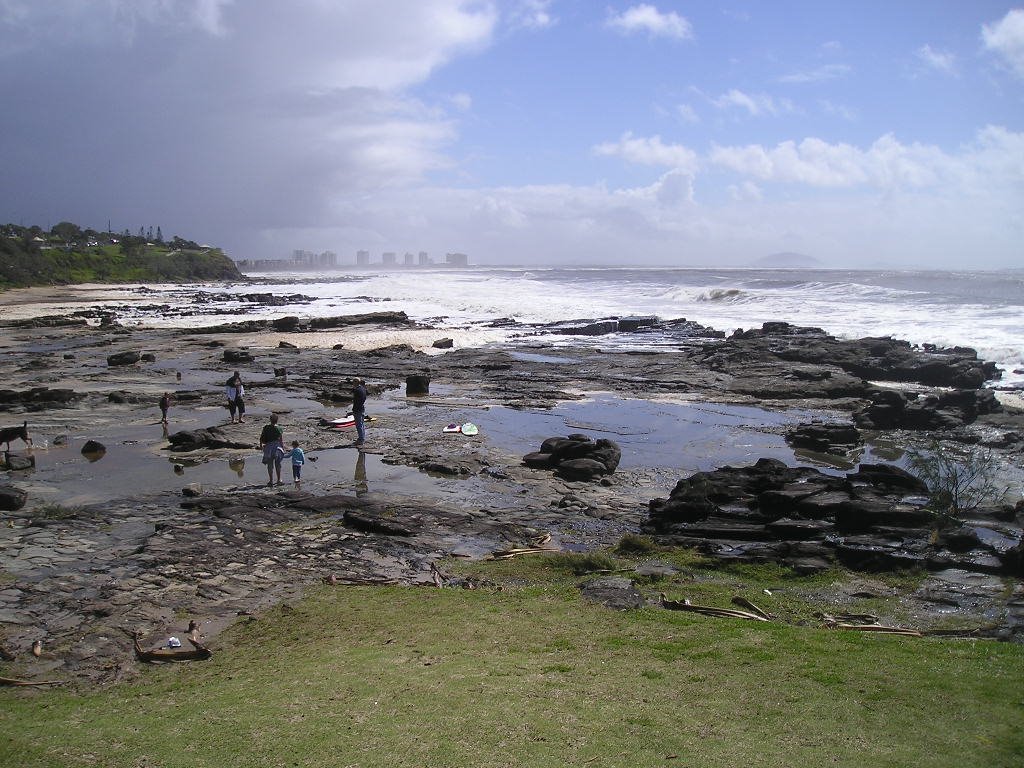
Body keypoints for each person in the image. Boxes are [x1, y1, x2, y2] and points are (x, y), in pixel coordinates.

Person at [259, 413, 284, 486]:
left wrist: (261, 445)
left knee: (270, 465)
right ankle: (279, 479)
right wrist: (282, 447)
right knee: (278, 464)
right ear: (277, 420)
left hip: (268, 447)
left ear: (270, 420)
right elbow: (281, 440)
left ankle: (271, 481)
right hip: (277, 447)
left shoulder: (266, 427)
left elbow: (262, 437)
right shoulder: (279, 428)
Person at [351, 377, 367, 447]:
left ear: (356, 382)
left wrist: (354, 409)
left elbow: (356, 401)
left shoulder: (357, 390)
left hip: (358, 409)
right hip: (362, 408)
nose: (352, 383)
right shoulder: (363, 388)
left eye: (353, 382)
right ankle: (362, 438)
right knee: (362, 424)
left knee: (359, 425)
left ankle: (361, 439)